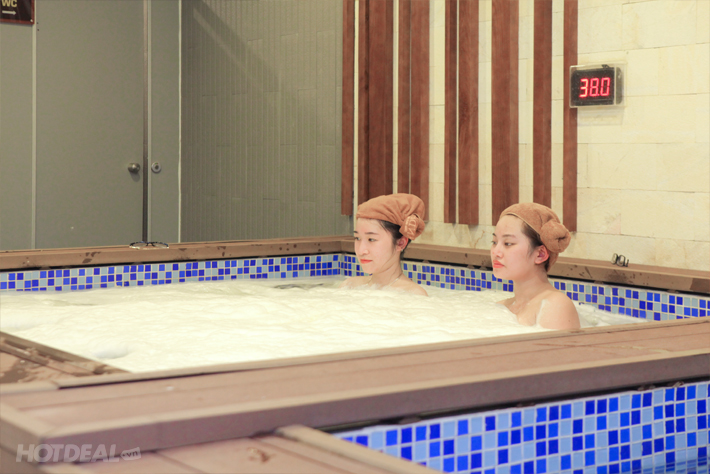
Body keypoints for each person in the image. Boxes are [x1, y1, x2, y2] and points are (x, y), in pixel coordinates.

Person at [491, 203, 580, 329]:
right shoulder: (502, 307)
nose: (495, 252)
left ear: (540, 254)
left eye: (508, 243)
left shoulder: (555, 306)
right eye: (494, 242)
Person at [340, 193, 428, 296]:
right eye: (357, 238)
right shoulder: (349, 286)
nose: (361, 251)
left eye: (371, 239)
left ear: (400, 243)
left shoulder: (413, 295)